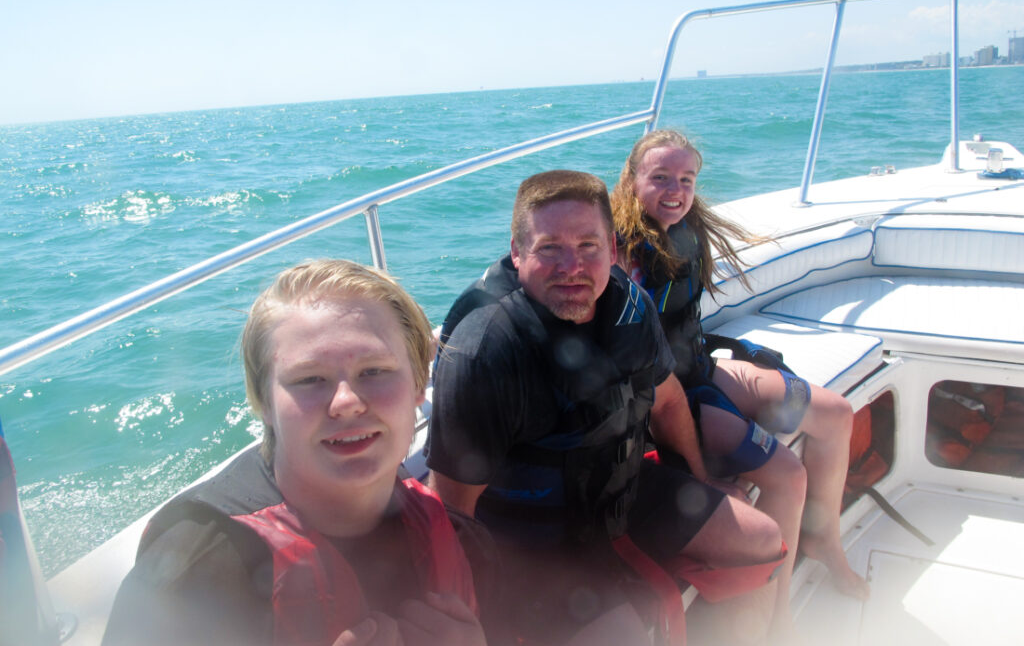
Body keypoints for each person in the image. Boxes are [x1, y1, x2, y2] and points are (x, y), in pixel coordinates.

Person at [426, 170, 786, 646]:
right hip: (535, 543)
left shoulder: (629, 308)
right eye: (549, 247)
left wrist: (699, 478)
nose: (571, 266)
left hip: (622, 491)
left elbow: (669, 401)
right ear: (517, 253)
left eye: (588, 246)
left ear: (613, 250)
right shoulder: (485, 351)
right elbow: (453, 510)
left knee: (760, 540)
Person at [103, 259, 487, 646]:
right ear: (264, 403)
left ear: (419, 386)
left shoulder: (457, 536)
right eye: (309, 379)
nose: (346, 401)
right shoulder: (192, 575)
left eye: (374, 371)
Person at [610, 130, 871, 635]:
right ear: (632, 180)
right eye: (660, 177)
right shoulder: (623, 254)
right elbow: (638, 367)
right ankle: (781, 618)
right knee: (788, 475)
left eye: (686, 179)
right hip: (670, 398)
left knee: (835, 413)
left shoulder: (687, 230)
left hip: (702, 368)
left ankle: (823, 540)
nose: (675, 190)